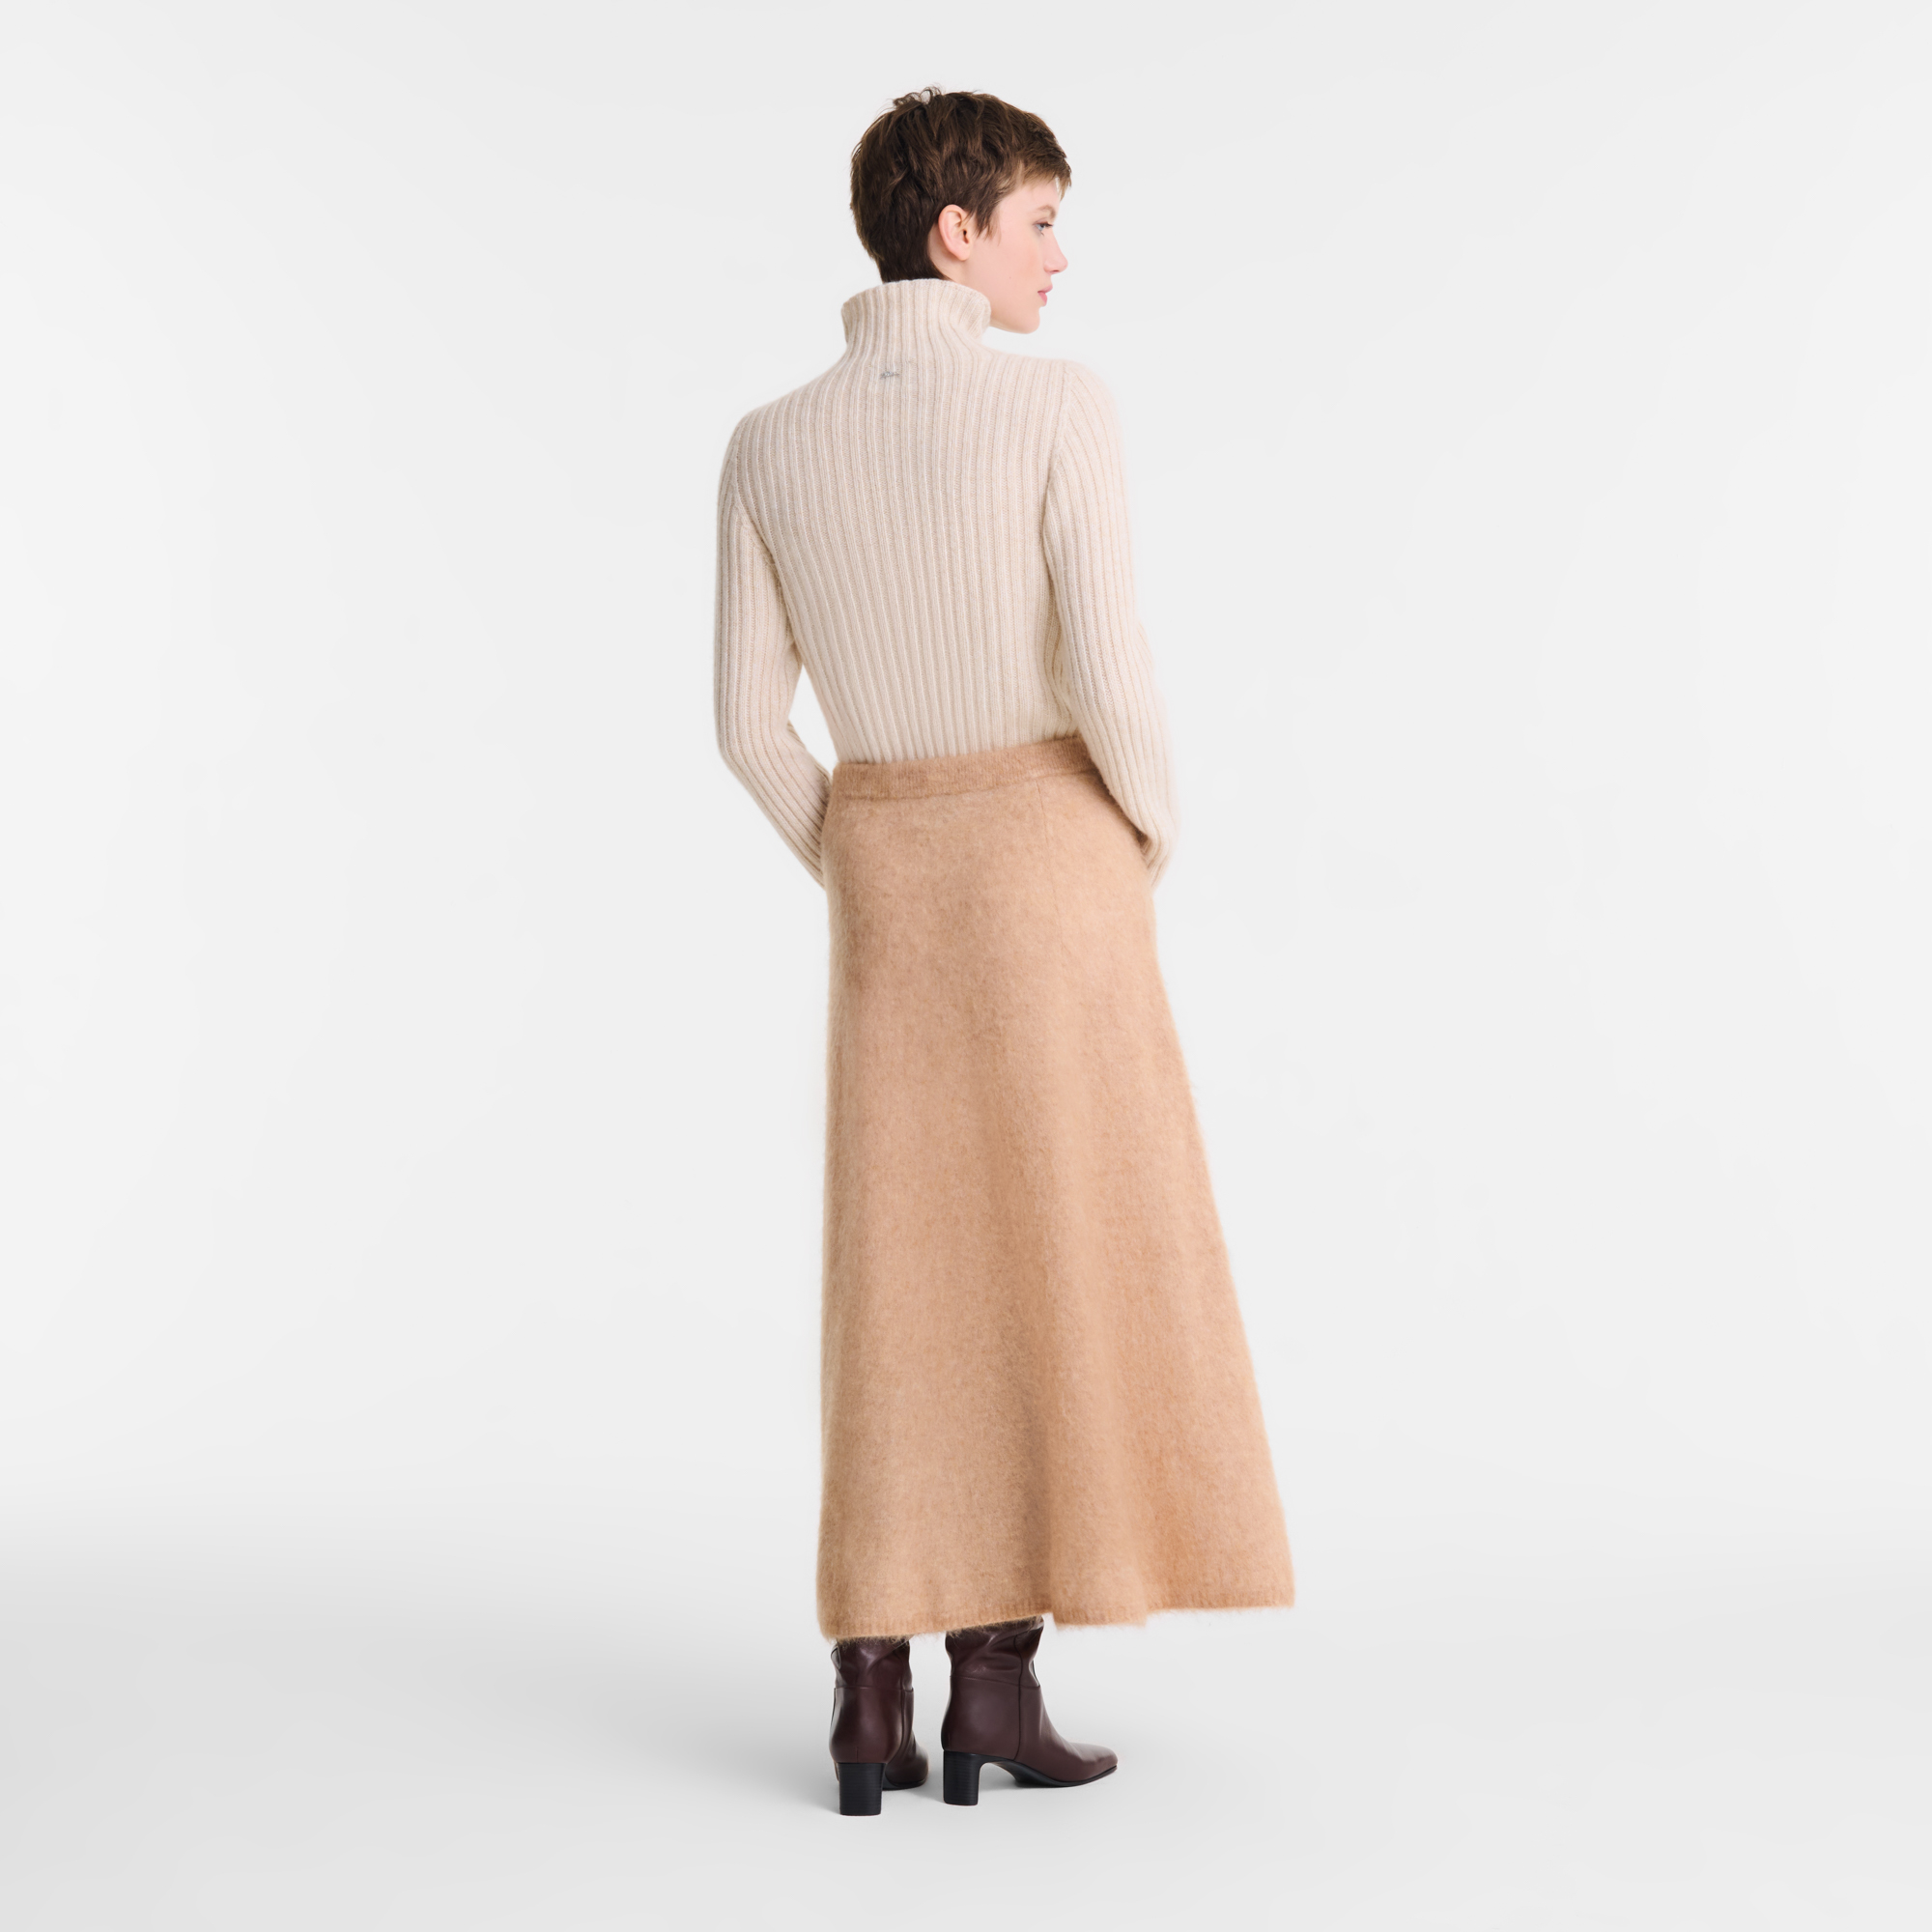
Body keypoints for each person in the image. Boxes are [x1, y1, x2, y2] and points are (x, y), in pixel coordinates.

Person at [713, 86, 1294, 1816]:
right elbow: (1109, 660)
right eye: (1040, 220)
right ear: (954, 233)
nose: (1060, 255)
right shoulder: (1055, 406)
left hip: (887, 868)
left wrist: (865, 858)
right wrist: (1142, 835)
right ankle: (997, 1684)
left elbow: (746, 724)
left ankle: (870, 1695)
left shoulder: (766, 442)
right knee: (1063, 1253)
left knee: (896, 1276)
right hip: (1054, 854)